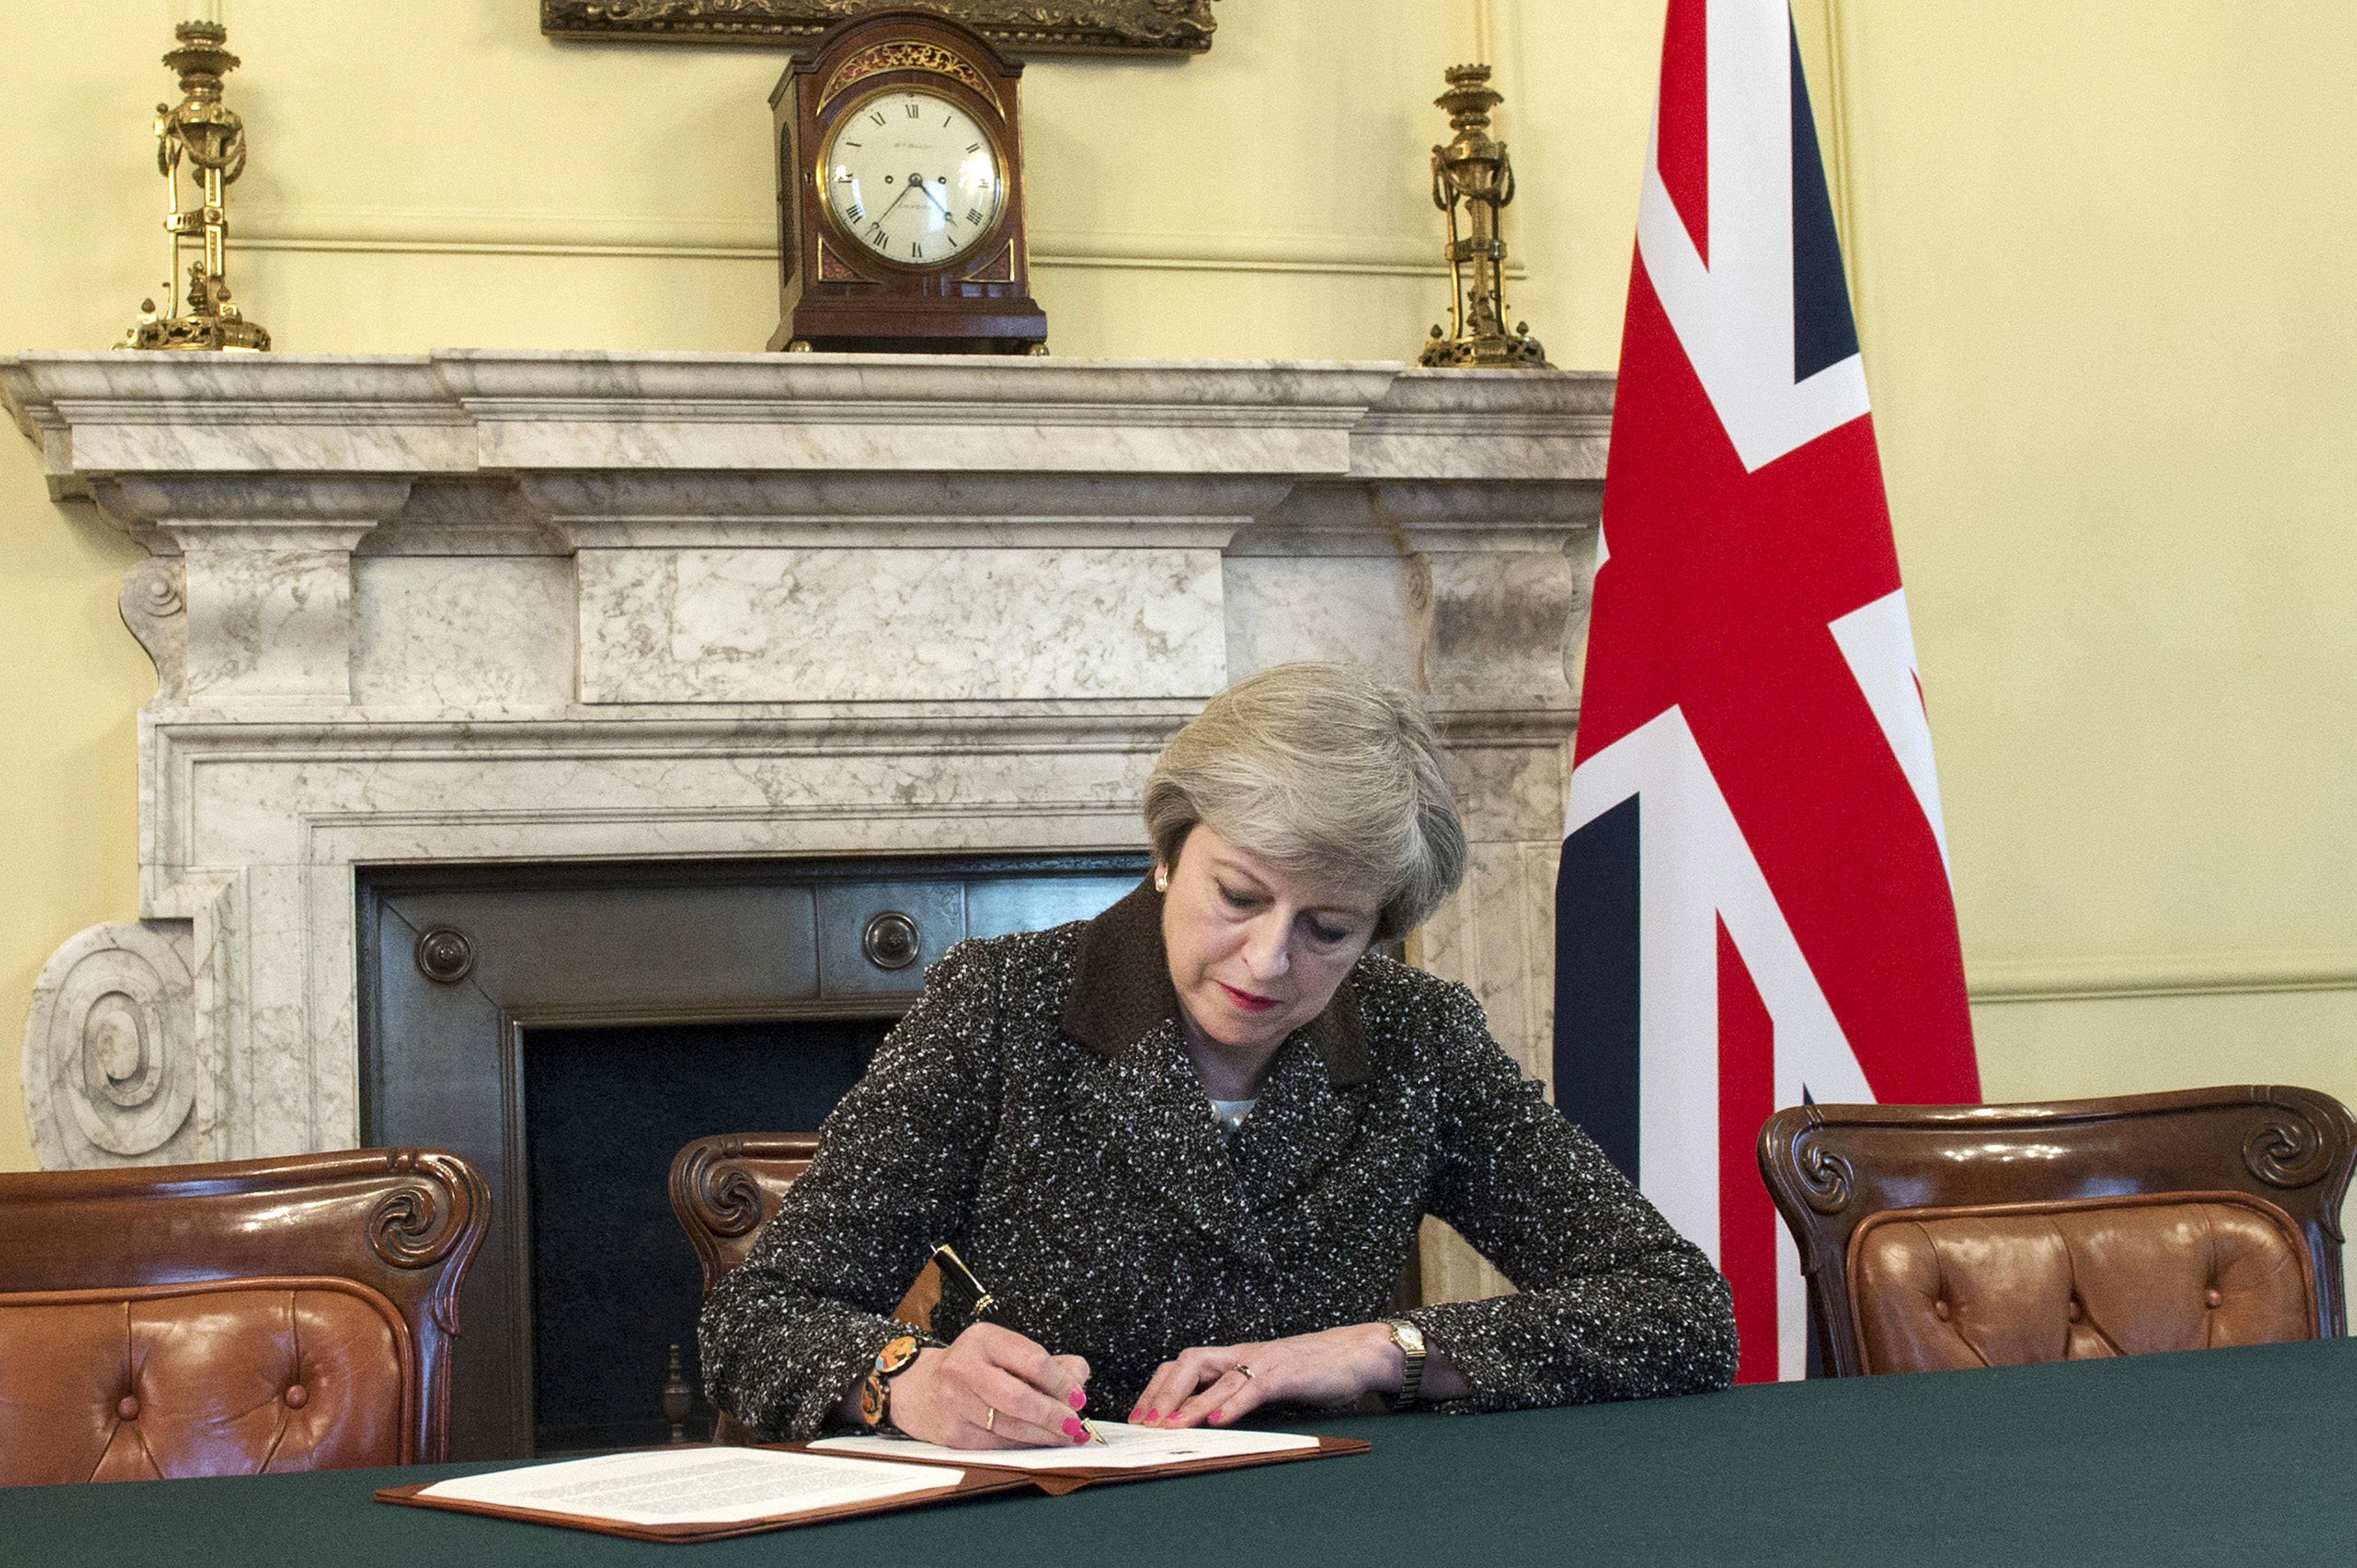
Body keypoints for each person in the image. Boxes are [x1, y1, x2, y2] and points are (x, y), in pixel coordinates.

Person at [700, 662, 1738, 1448]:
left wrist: (1384, 1349)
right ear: (1167, 851)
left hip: (1334, 1506)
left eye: (1327, 927)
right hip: (1060, 1505)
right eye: (1237, 896)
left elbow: (1678, 1309)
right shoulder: (1002, 1004)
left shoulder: (1418, 1035)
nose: (1265, 956)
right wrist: (907, 1376)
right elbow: (759, 1315)